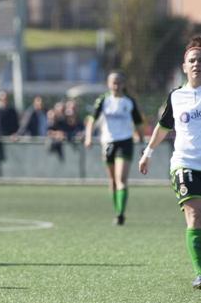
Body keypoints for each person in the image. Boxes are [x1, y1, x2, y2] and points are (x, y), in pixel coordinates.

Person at [139, 36, 201, 289]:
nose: (197, 64)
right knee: (195, 215)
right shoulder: (176, 97)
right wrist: (147, 153)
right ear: (184, 66)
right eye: (192, 60)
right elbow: (163, 128)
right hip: (184, 164)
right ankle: (200, 273)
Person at [85, 71, 144, 225]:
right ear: (108, 84)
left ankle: (120, 213)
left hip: (125, 142)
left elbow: (138, 122)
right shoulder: (103, 100)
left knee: (121, 179)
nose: (116, 85)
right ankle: (116, 209)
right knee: (112, 181)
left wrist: (141, 139)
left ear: (123, 85)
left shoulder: (129, 101)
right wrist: (89, 137)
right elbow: (92, 119)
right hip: (108, 143)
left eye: (119, 82)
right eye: (114, 82)